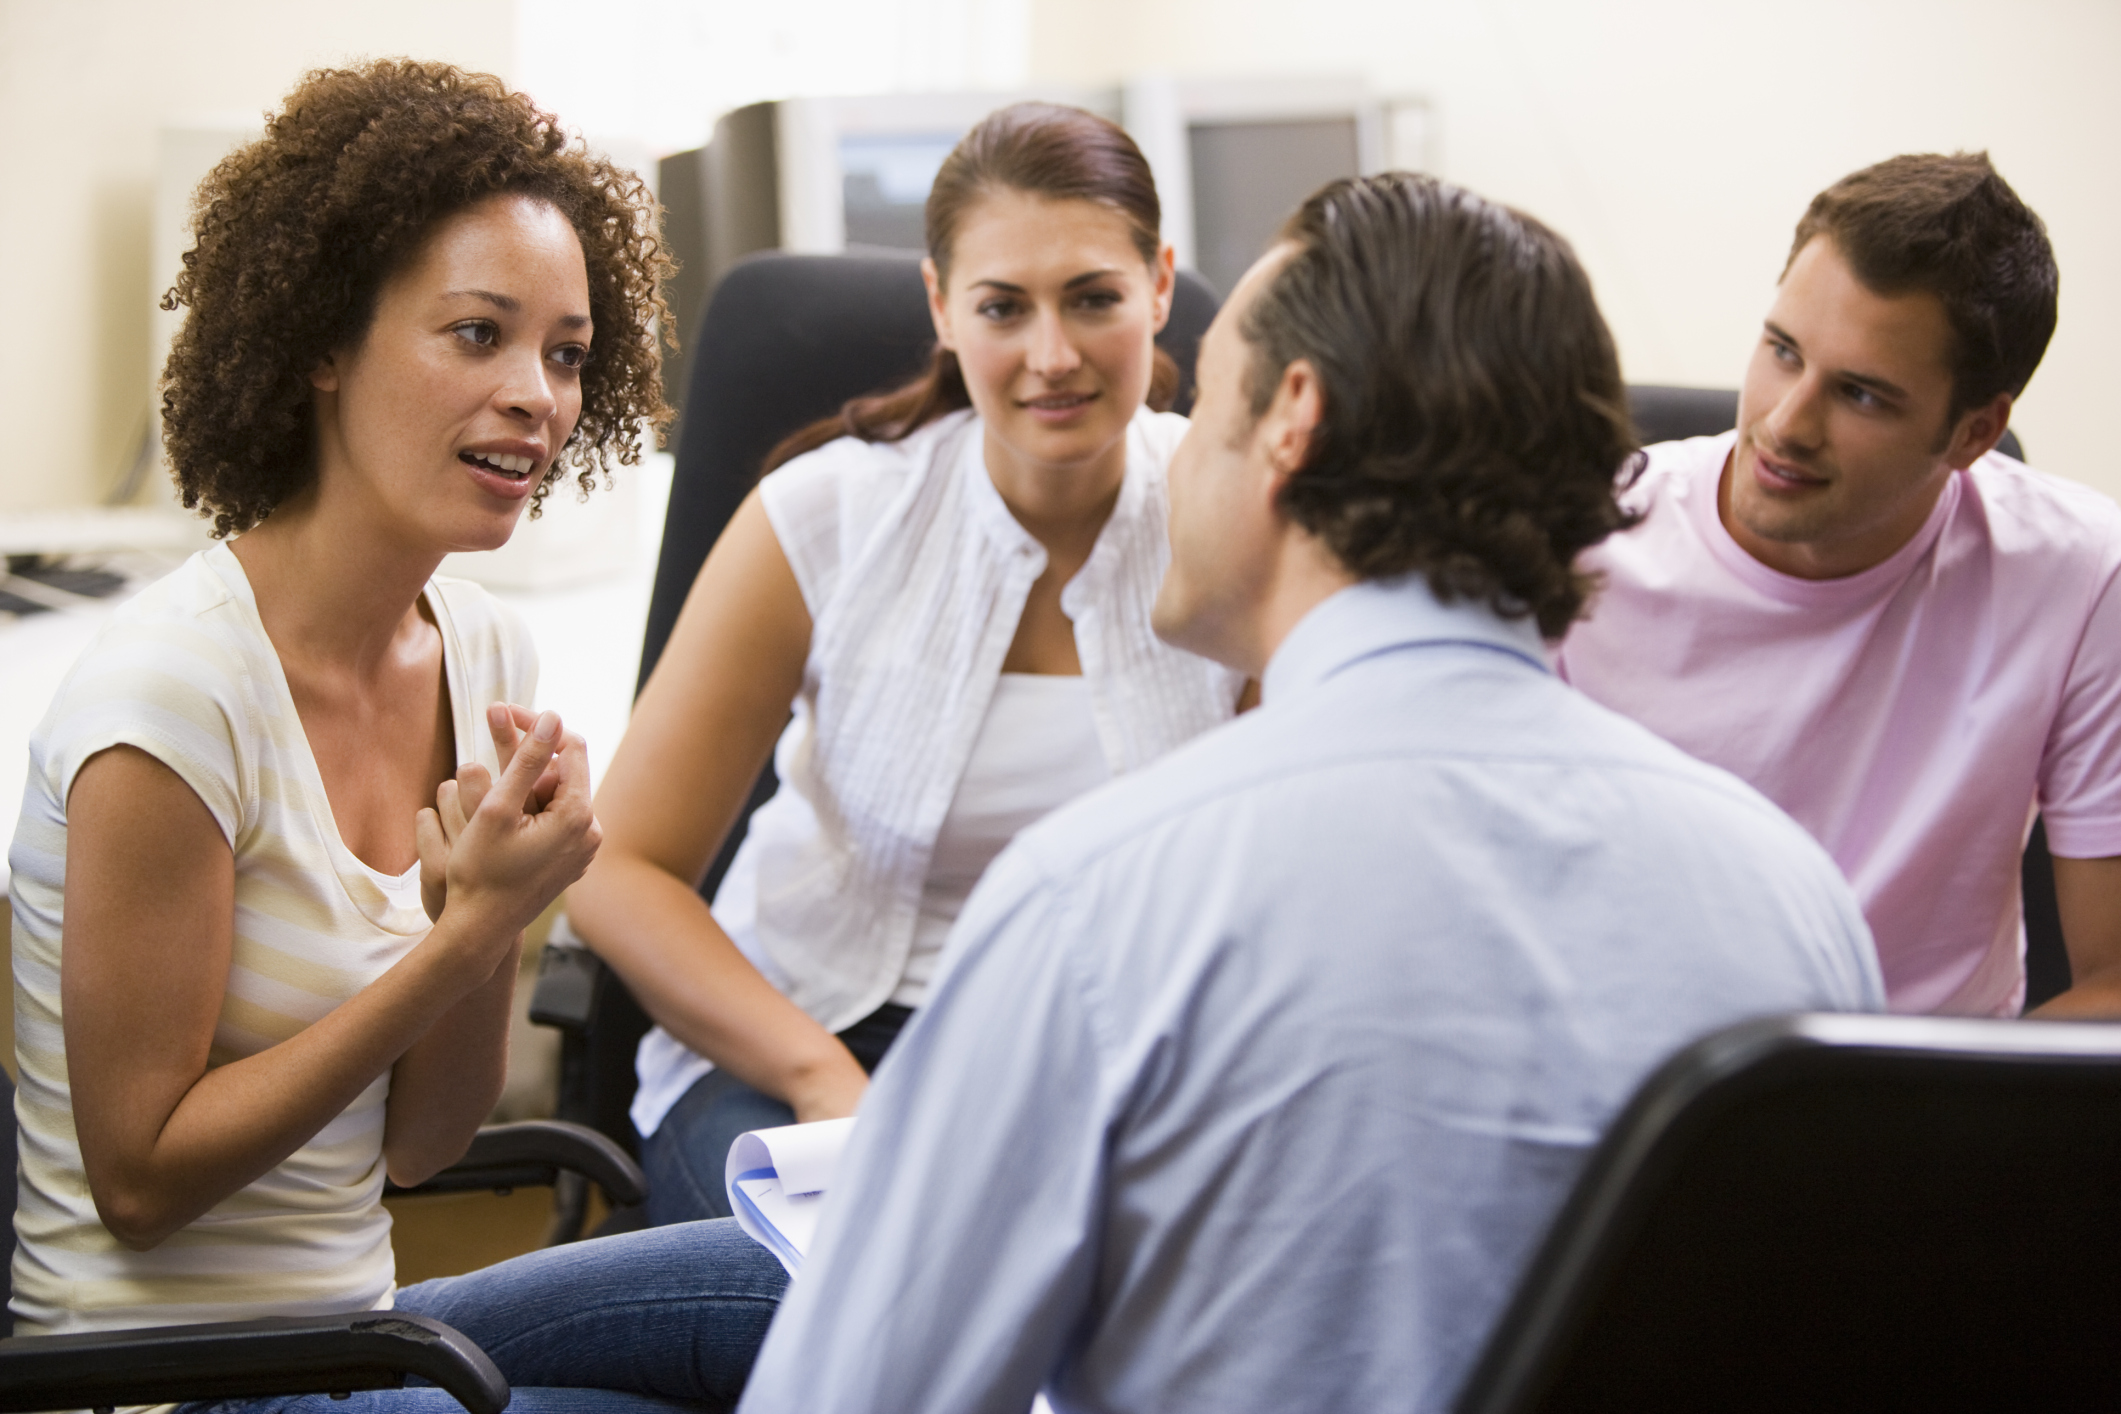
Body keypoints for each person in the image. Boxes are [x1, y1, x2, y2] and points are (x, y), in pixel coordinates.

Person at [735, 173, 1883, 1414]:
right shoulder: (1795, 900)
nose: (1173, 470)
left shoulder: (1097, 907)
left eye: (1210, 393)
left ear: (1291, 417)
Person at [6, 60, 784, 1411]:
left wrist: (471, 927)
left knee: (813, 1279)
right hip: (170, 1376)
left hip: (361, 1332)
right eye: (478, 334)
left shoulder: (483, 652)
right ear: (323, 339)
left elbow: (422, 1145)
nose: (538, 395)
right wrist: (475, 933)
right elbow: (138, 1182)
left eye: (564, 353)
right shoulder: (170, 700)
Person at [565, 102, 1246, 1225]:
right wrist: (820, 1078)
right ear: (940, 306)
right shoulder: (827, 513)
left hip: (1115, 1063)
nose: (1052, 355)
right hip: (805, 1040)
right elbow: (617, 865)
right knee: (847, 1309)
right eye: (1002, 306)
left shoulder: (1236, 526)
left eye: (1094, 297)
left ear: (1160, 288)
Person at [1556, 153, 2121, 1018]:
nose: (1784, 425)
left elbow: (2111, 986)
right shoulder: (1575, 537)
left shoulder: (2081, 574)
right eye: (1781, 351)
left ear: (1973, 433)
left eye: (1858, 395)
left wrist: (1903, 1134)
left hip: (1925, 1113)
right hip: (1627, 1104)